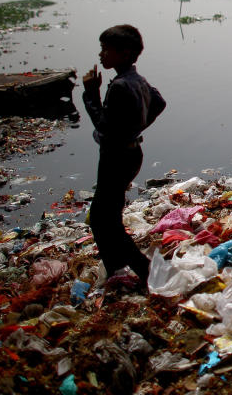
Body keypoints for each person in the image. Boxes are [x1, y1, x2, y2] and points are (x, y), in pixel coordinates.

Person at [82, 24, 166, 291]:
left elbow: (104, 128)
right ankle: (116, 269)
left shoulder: (119, 86)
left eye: (106, 49)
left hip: (115, 157)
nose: (101, 55)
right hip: (131, 152)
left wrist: (90, 95)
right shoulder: (136, 79)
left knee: (102, 219)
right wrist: (137, 126)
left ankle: (143, 270)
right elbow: (159, 102)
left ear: (124, 53)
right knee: (107, 214)